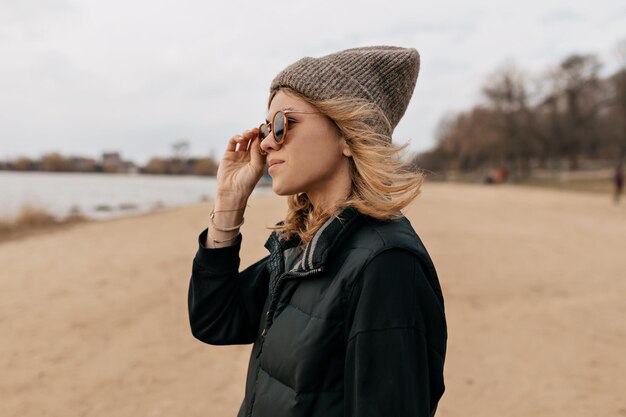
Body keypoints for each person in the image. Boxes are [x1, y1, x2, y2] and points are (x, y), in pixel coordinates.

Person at [187, 46, 447, 417]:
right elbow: (214, 321)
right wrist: (229, 204)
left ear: (347, 134)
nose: (266, 142)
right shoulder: (304, 245)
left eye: (282, 124)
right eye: (265, 128)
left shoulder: (386, 263)